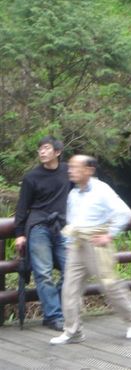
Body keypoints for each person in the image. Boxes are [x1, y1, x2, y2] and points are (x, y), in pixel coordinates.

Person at [50, 155, 131, 345]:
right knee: (70, 287)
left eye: (76, 167)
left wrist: (109, 235)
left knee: (109, 284)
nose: (70, 170)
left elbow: (123, 212)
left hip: (97, 243)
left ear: (89, 170)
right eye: (70, 167)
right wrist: (69, 242)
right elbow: (72, 220)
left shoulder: (102, 190)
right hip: (77, 244)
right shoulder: (74, 194)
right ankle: (73, 331)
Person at [14, 136, 70, 331]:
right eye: (40, 149)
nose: (42, 152)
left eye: (46, 148)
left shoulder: (67, 171)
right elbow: (22, 207)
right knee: (43, 273)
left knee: (71, 270)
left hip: (61, 227)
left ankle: (59, 309)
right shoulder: (32, 177)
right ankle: (53, 316)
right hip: (38, 227)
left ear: (57, 152)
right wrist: (19, 234)